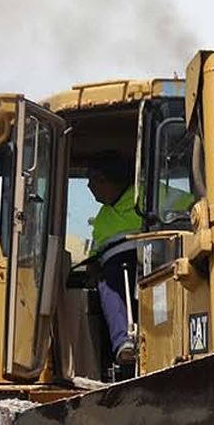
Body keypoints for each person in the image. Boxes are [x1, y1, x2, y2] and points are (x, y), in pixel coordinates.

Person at [86, 150, 144, 363]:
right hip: (116, 266)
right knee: (107, 279)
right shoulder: (102, 218)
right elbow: (94, 256)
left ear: (104, 180)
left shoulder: (148, 196)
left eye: (91, 180)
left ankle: (123, 341)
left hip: (154, 259)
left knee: (108, 283)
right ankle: (124, 345)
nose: (88, 187)